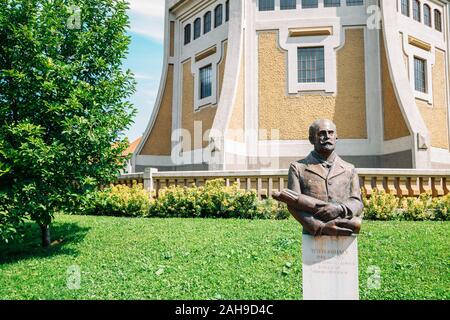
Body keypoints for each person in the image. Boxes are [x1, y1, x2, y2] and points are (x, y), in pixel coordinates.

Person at [273, 119, 363, 236]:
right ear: (311, 139)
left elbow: (357, 202)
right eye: (322, 133)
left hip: (345, 227)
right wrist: (320, 227)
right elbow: (293, 205)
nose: (327, 137)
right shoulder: (298, 167)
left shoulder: (349, 169)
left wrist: (340, 209)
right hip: (313, 233)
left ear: (336, 137)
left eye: (331, 133)